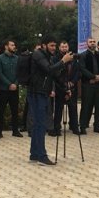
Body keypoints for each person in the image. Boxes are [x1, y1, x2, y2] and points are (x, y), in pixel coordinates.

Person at [28, 37, 73, 165]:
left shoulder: (48, 56)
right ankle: (41, 156)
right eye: (51, 45)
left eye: (55, 45)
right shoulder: (38, 55)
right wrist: (63, 61)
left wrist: (65, 89)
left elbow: (54, 75)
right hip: (36, 93)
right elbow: (49, 69)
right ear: (44, 45)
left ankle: (34, 154)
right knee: (41, 124)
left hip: (43, 93)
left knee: (39, 124)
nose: (54, 48)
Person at [78, 37, 99, 134]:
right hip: (88, 84)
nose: (93, 43)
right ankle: (82, 126)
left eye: (94, 42)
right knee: (86, 105)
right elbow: (82, 68)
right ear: (87, 44)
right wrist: (93, 77)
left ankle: (97, 126)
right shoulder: (83, 55)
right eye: (90, 42)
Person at [52, 40, 80, 136]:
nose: (64, 48)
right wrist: (64, 84)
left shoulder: (73, 58)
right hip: (60, 87)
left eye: (66, 46)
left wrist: (72, 82)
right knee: (59, 109)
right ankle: (57, 128)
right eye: (62, 47)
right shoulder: (55, 59)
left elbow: (77, 72)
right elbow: (55, 73)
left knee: (73, 108)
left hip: (72, 86)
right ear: (59, 48)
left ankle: (75, 127)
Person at [0, 40, 23, 137]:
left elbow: (19, 73)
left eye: (14, 44)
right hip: (4, 89)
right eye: (12, 45)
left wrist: (15, 83)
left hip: (14, 89)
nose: (14, 46)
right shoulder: (0, 59)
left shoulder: (17, 58)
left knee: (15, 110)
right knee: (1, 110)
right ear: (6, 47)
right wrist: (9, 84)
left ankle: (15, 130)